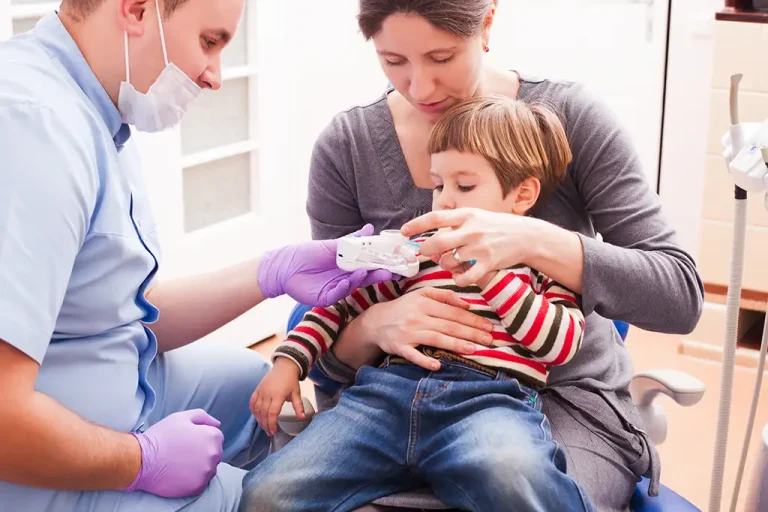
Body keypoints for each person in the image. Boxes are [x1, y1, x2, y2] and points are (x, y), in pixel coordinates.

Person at [255, 0, 705, 510]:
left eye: (441, 57)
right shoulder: (347, 148)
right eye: (393, 61)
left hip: (558, 403)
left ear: (486, 24)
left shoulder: (572, 117)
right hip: (391, 401)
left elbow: (678, 295)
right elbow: (333, 323)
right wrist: (374, 328)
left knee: (518, 488)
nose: (420, 88)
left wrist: (527, 242)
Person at [0, 0, 392, 509]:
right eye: (209, 42)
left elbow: (117, 307)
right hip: (39, 462)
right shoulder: (34, 131)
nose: (215, 77)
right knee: (266, 498)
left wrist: (271, 272)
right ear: (136, 11)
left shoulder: (97, 107)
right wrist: (140, 461)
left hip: (118, 376)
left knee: (260, 392)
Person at [242, 95, 594, 512]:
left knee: (516, 477)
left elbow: (560, 345)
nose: (445, 200)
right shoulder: (417, 252)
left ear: (522, 195)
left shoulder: (543, 262)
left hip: (489, 403)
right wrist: (288, 363)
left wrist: (489, 274)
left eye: (464, 186)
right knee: (266, 493)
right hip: (384, 399)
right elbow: (338, 305)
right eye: (438, 185)